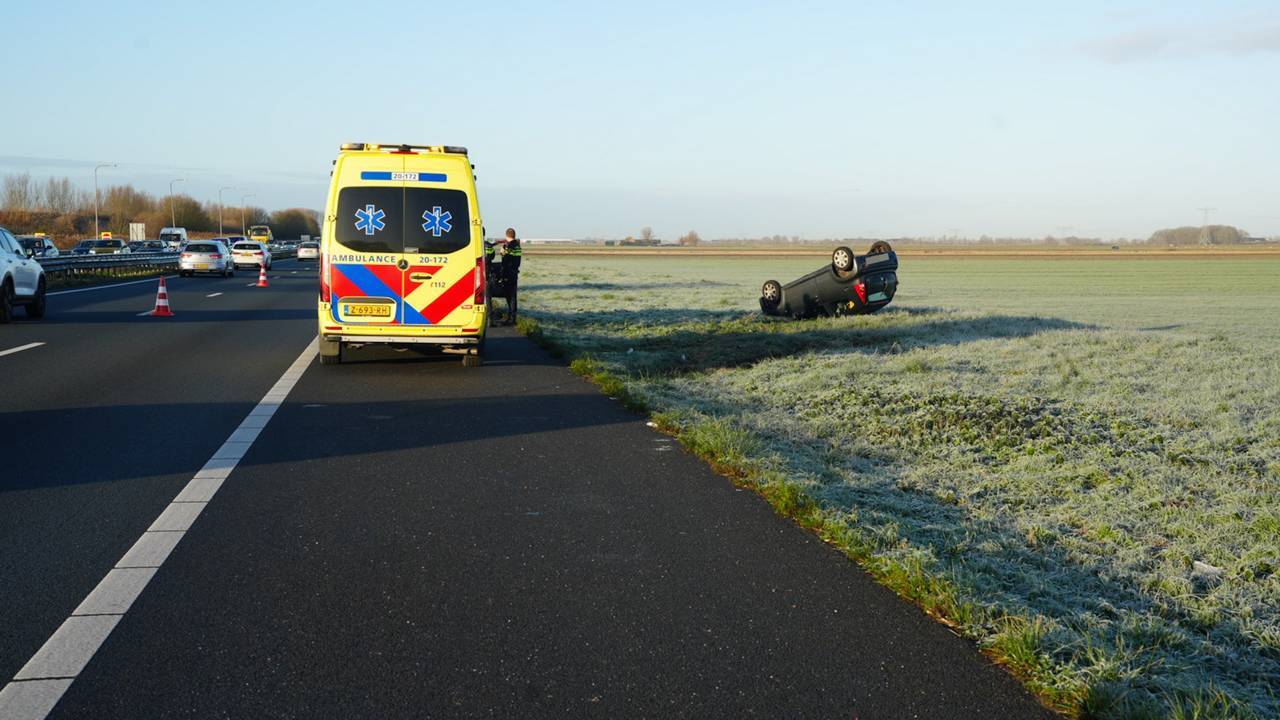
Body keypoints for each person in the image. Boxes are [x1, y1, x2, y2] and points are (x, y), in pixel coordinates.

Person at [498, 227, 522, 325]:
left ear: (506, 235)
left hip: (508, 273)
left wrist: (502, 250)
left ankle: (511, 319)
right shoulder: (518, 246)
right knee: (513, 296)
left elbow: (505, 258)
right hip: (514, 273)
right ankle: (513, 318)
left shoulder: (508, 246)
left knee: (510, 296)